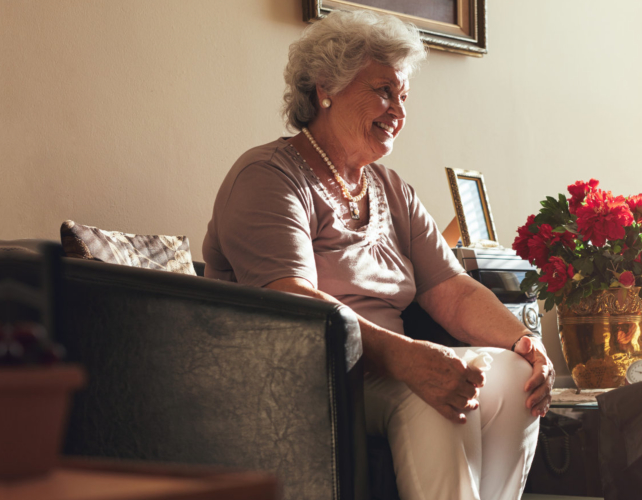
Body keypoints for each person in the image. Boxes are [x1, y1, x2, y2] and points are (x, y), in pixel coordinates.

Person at [200, 10, 553, 500]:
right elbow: (294, 304)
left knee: (515, 377)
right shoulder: (268, 177)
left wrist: (524, 342)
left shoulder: (390, 188)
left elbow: (451, 289)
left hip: (381, 368)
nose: (398, 111)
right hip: (301, 374)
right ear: (326, 87)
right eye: (384, 91)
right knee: (432, 392)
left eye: (403, 97)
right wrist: (408, 359)